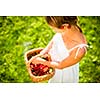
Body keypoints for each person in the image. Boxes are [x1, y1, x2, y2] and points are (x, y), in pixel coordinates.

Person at [27, 16, 88, 83]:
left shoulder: (79, 50)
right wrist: (45, 51)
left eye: (53, 28)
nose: (53, 30)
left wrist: (42, 62)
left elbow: (60, 65)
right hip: (52, 64)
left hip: (63, 74)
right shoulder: (69, 28)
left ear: (64, 26)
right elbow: (55, 39)